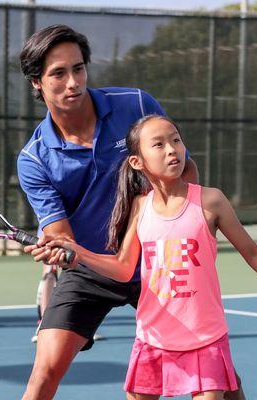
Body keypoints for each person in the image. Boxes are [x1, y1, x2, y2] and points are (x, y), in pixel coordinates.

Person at [33, 115, 257, 400]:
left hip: (205, 339)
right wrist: (80, 254)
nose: (171, 149)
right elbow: (124, 269)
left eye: (175, 140)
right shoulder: (140, 207)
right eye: (159, 144)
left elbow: (253, 253)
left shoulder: (210, 200)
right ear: (137, 161)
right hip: (152, 339)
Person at [16, 25, 199, 399]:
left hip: (156, 264)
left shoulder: (136, 105)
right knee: (43, 374)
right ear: (36, 82)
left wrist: (182, 227)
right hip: (93, 271)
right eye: (58, 73)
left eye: (78, 69)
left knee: (213, 373)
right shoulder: (34, 159)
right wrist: (59, 250)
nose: (73, 82)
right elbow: (61, 236)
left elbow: (187, 170)